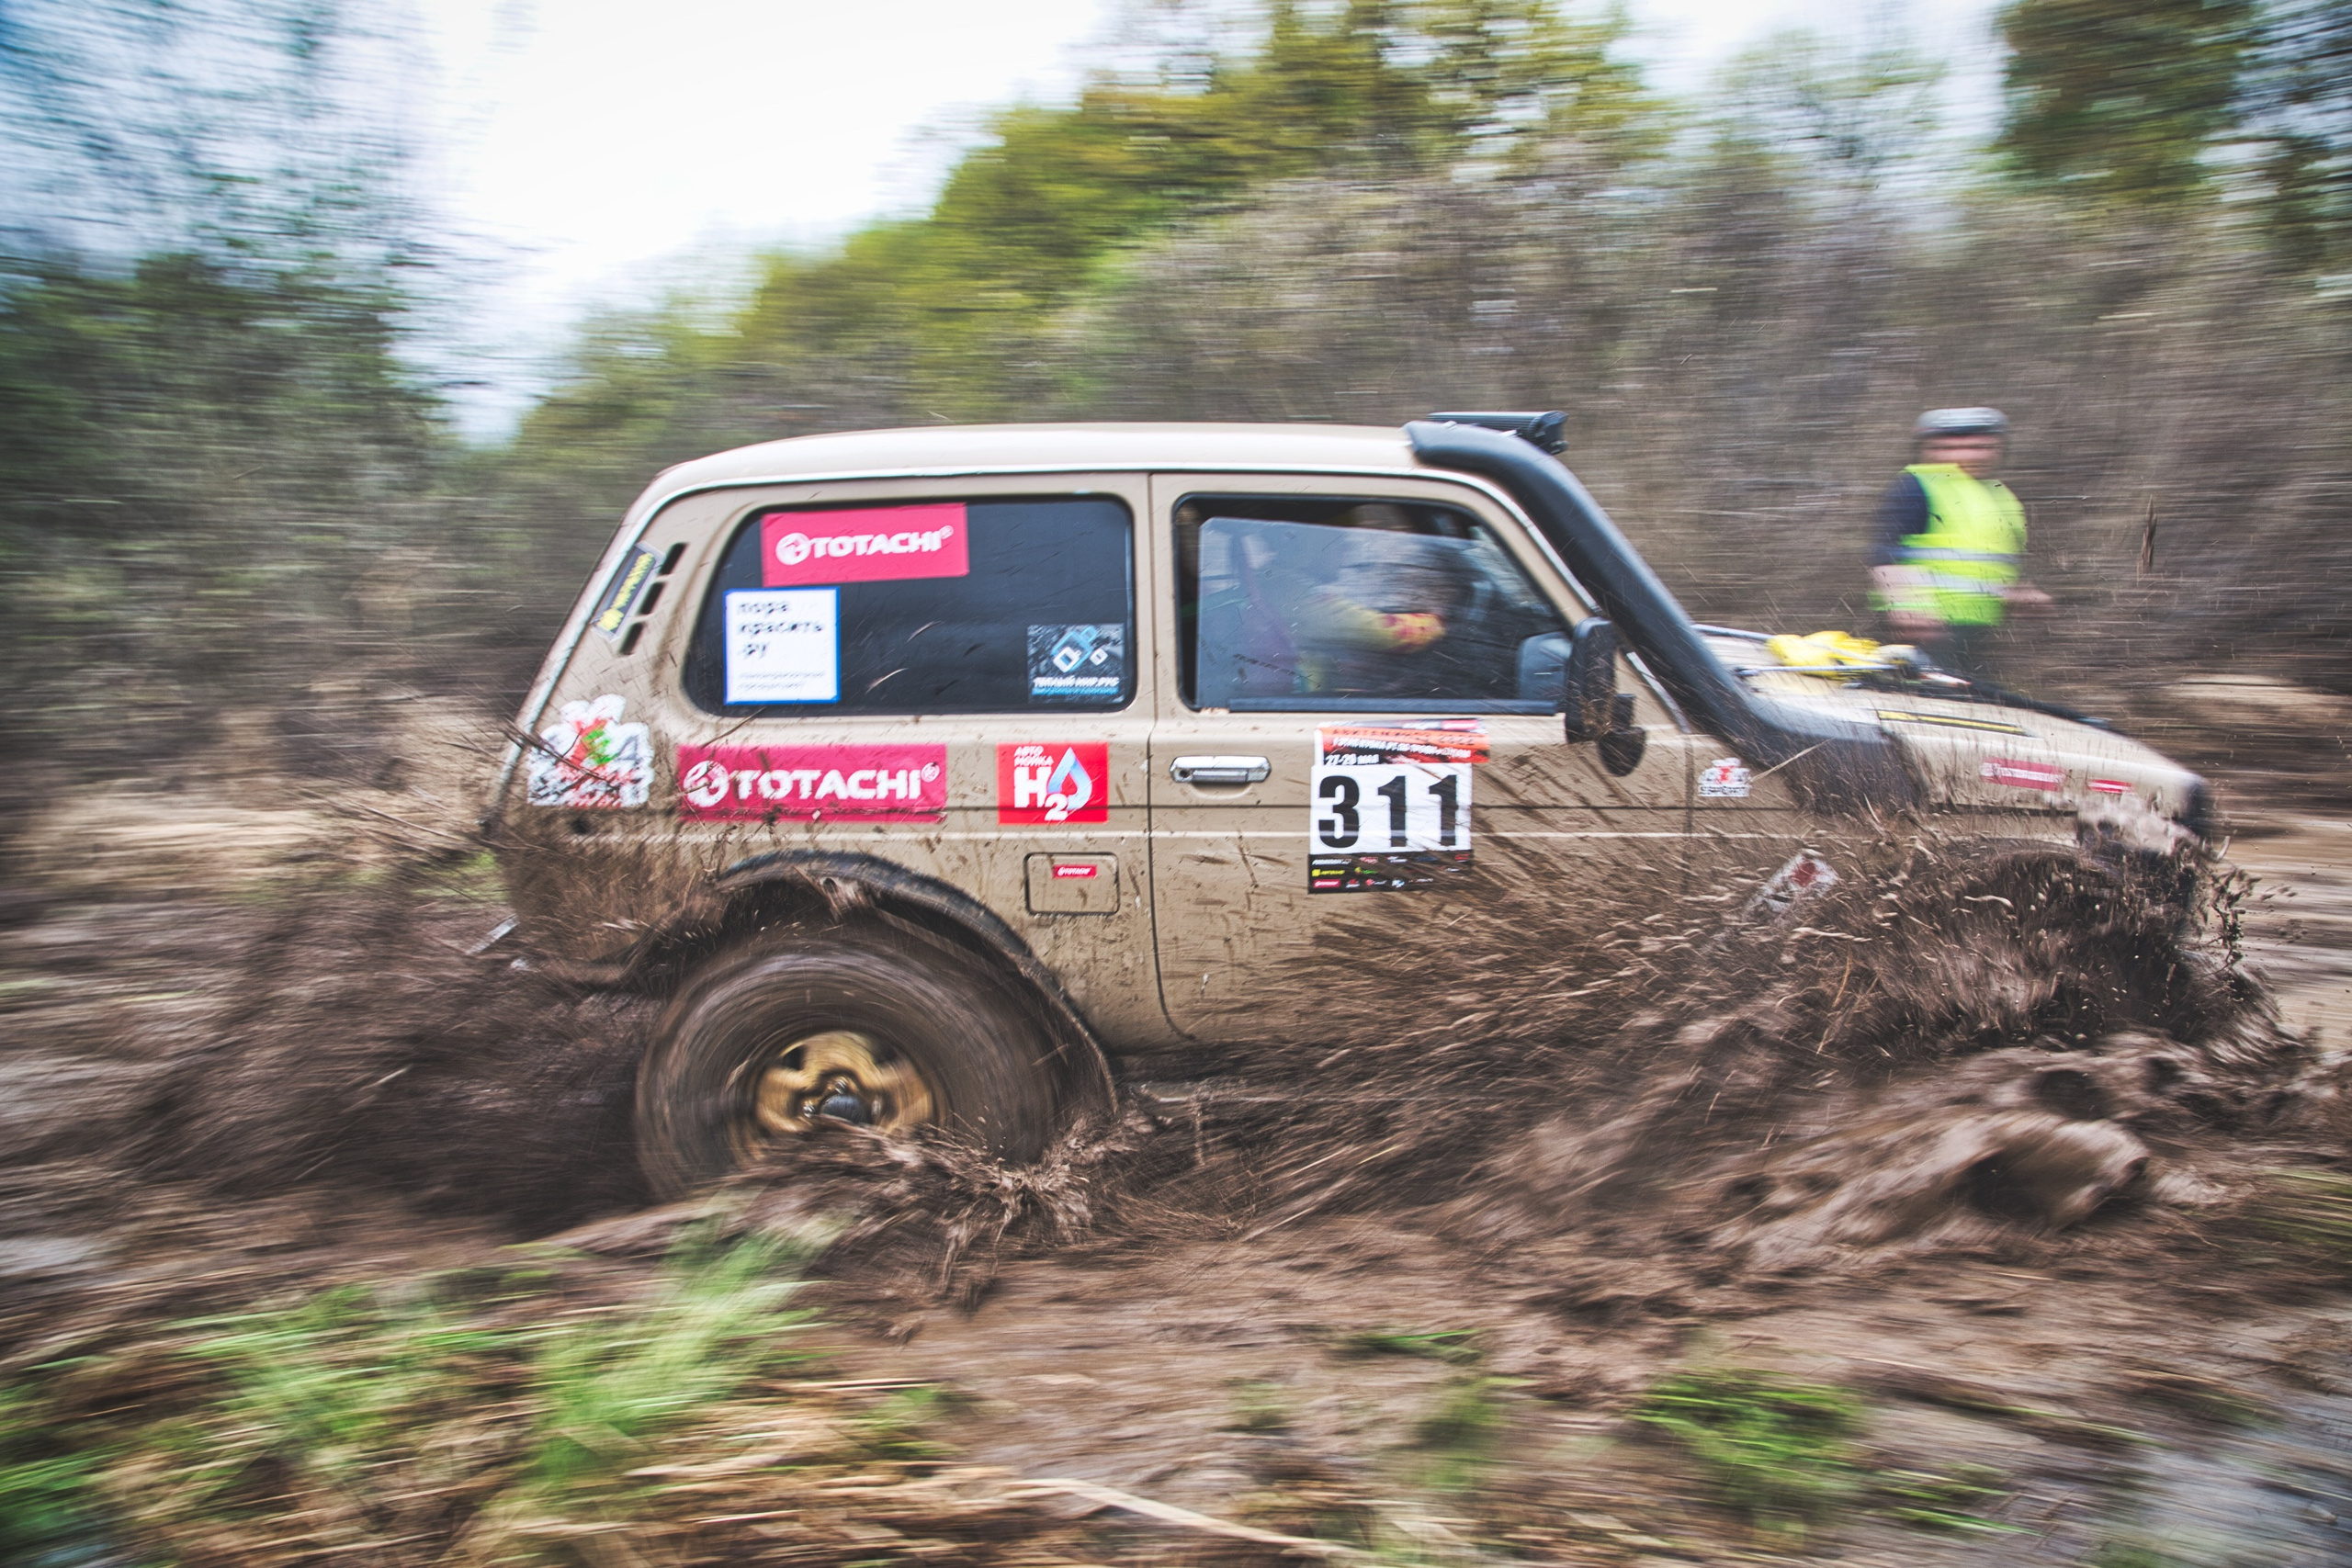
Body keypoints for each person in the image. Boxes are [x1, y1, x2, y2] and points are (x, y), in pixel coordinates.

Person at [1866, 407, 2052, 682]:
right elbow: (1885, 552)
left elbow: (1995, 561)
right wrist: (1907, 606)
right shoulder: (1916, 486)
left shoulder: (1999, 494)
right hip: (1924, 628)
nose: (1967, 456)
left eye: (1979, 447)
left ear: (1998, 449)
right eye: (1950, 448)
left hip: (1976, 628)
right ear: (1928, 450)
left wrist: (2020, 592)